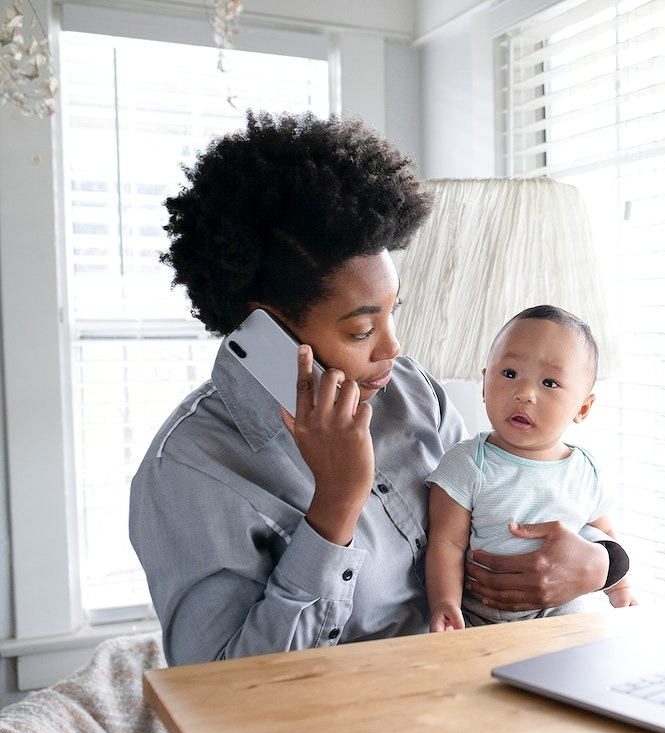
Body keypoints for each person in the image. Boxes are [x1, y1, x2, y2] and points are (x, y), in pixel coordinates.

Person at [129, 111, 629, 666]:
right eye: (361, 330)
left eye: (395, 313)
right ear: (264, 329)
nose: (392, 349)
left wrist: (605, 563)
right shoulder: (189, 469)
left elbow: (512, 507)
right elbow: (217, 696)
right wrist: (337, 502)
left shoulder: (410, 392)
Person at [425, 305, 637, 631]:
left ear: (583, 407)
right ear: (484, 384)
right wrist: (444, 602)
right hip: (481, 616)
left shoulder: (585, 471)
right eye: (509, 374)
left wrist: (620, 590)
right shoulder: (468, 462)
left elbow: (604, 534)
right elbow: (446, 543)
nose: (524, 393)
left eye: (549, 383)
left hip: (561, 615)